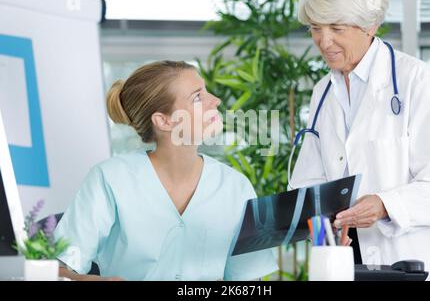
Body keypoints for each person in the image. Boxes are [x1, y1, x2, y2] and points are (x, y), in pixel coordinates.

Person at [55, 61, 278, 281]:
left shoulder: (235, 187)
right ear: (163, 121)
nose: (215, 101)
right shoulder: (110, 179)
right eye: (197, 97)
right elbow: (58, 270)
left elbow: (248, 279)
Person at [290, 0, 430, 280]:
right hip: (346, 259)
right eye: (315, 27)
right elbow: (310, 180)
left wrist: (385, 205)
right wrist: (320, 218)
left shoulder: (415, 80)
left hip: (409, 259)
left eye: (337, 28)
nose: (324, 42)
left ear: (370, 26)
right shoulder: (323, 91)